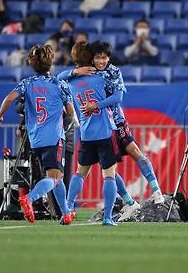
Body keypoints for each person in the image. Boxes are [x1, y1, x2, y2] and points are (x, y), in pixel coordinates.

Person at [60, 41, 165, 221]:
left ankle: (156, 191)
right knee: (109, 170)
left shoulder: (112, 72)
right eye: (98, 57)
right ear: (92, 58)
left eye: (104, 57)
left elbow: (118, 97)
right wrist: (74, 71)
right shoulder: (87, 72)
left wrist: (96, 105)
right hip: (102, 128)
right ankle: (129, 203)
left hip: (116, 122)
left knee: (134, 152)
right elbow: (60, 76)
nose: (101, 61)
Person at [0, 45, 76, 225]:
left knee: (56, 177)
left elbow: (9, 98)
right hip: (54, 138)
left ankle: (66, 213)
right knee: (53, 178)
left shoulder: (26, 83)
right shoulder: (59, 84)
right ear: (50, 63)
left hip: (35, 139)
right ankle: (29, 198)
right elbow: (69, 111)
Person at [57, 42, 119, 226]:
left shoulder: (70, 82)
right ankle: (108, 217)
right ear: (91, 58)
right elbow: (118, 97)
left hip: (86, 134)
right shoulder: (102, 77)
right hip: (104, 132)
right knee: (109, 176)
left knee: (79, 173)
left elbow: (57, 77)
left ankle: (67, 211)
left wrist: (74, 72)